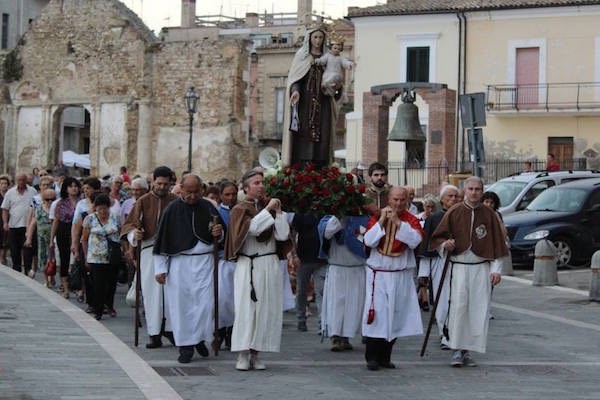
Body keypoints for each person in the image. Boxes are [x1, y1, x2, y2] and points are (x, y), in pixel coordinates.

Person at [429, 176, 509, 367]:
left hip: (481, 268)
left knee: (477, 310)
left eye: (478, 189)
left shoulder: (489, 215)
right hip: (459, 269)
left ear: (482, 191)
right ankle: (456, 348)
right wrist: (445, 245)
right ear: (465, 191)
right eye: (471, 189)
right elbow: (438, 238)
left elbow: (498, 245)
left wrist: (496, 270)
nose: (474, 193)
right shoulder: (454, 212)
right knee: (458, 308)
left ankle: (468, 350)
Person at [153, 174, 224, 364]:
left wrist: (219, 233)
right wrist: (160, 269)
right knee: (181, 306)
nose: (192, 196)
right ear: (181, 189)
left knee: (205, 304)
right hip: (179, 264)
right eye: (188, 192)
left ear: (201, 189)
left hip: (204, 263)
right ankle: (185, 345)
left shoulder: (209, 206)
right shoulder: (172, 210)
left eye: (196, 192)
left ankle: (199, 338)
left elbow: (221, 234)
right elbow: (162, 240)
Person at [224, 170, 289, 371]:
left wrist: (277, 214)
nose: (261, 186)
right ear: (245, 187)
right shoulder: (239, 209)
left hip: (268, 263)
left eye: (262, 182)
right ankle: (242, 353)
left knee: (265, 309)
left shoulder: (269, 207)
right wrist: (267, 209)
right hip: (248, 264)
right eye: (256, 183)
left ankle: (256, 352)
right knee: (246, 308)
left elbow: (283, 235)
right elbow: (252, 230)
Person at [361, 187, 424, 371]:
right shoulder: (377, 217)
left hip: (400, 274)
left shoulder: (411, 220)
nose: (398, 203)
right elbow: (368, 241)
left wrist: (398, 223)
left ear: (406, 201)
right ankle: (372, 357)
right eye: (395, 199)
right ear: (389, 199)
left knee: (396, 316)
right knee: (378, 315)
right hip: (379, 275)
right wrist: (381, 221)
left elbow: (415, 241)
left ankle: (385, 356)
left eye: (402, 200)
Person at [121, 166, 178, 349]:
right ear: (153, 182)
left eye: (165, 184)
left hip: (171, 252)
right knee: (151, 293)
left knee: (171, 293)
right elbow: (129, 225)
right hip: (149, 250)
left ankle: (170, 329)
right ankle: (154, 333)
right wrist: (134, 235)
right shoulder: (143, 201)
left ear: (170, 183)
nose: (162, 187)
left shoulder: (176, 201)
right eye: (158, 183)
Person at [286, 27, 337, 166]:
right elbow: (295, 79)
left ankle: (321, 164)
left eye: (320, 38)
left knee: (323, 132)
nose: (318, 41)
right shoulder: (301, 56)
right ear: (309, 38)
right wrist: (295, 91)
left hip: (323, 101)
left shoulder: (328, 58)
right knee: (304, 132)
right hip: (305, 103)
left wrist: (334, 86)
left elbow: (336, 77)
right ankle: (302, 164)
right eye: (315, 37)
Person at [417, 184, 460, 350]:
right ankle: (444, 334)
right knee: (442, 300)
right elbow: (427, 244)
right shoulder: (434, 219)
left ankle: (456, 332)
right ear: (442, 199)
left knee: (457, 300)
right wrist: (423, 274)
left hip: (459, 263)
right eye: (450, 196)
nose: (453, 199)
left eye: (456, 196)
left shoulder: (463, 216)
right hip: (439, 262)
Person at [318, 213, 368, 351]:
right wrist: (340, 215)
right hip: (338, 269)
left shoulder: (363, 219)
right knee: (337, 304)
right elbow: (327, 233)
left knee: (354, 305)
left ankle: (346, 336)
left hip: (357, 269)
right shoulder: (329, 220)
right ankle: (335, 336)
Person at [81, 194, 121, 320]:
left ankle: (109, 305)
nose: (103, 211)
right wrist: (86, 255)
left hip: (112, 256)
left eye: (105, 208)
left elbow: (121, 235)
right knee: (98, 284)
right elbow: (85, 239)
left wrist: (124, 251)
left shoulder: (115, 218)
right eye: (100, 208)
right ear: (96, 208)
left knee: (111, 283)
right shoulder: (90, 219)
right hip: (96, 257)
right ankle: (98, 310)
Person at [49, 177, 82, 299]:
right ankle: (66, 287)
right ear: (66, 188)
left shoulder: (82, 202)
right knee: (64, 259)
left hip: (79, 231)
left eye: (75, 186)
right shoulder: (60, 203)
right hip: (63, 230)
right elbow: (56, 221)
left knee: (78, 259)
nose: (74, 188)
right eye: (71, 186)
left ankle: (79, 287)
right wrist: (51, 239)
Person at [1, 173, 38, 273]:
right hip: (14, 226)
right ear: (16, 181)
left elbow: (36, 207)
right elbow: (5, 209)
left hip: (28, 227)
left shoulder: (32, 191)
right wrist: (5, 222)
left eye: (23, 180)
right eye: (19, 180)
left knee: (27, 251)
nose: (21, 182)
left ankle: (27, 270)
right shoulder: (10, 192)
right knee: (14, 251)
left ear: (26, 181)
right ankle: (16, 270)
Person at [25, 189, 56, 287]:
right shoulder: (38, 208)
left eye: (52, 199)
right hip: (42, 238)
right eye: (47, 199)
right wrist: (29, 238)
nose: (50, 201)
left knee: (53, 259)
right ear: (43, 199)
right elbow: (33, 224)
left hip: (54, 238)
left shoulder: (57, 209)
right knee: (43, 258)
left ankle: (53, 277)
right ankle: (46, 280)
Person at [0, 174, 10, 265]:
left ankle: (3, 257)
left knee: (6, 239)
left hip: (7, 219)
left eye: (5, 183)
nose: (4, 185)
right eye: (2, 183)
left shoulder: (10, 194)